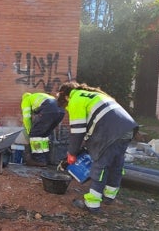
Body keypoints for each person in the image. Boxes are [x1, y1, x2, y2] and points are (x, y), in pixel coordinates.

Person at [56, 82, 138, 213]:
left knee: (100, 166)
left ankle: (92, 205)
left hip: (110, 133)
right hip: (127, 129)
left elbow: (78, 131)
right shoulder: (93, 94)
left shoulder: (75, 100)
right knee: (116, 164)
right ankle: (109, 197)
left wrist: (72, 153)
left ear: (66, 96)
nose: (67, 108)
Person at [21, 92, 65, 167]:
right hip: (61, 111)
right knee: (44, 135)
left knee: (35, 135)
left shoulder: (26, 100)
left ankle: (37, 160)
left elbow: (26, 118)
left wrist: (29, 132)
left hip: (49, 109)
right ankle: (44, 159)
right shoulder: (39, 96)